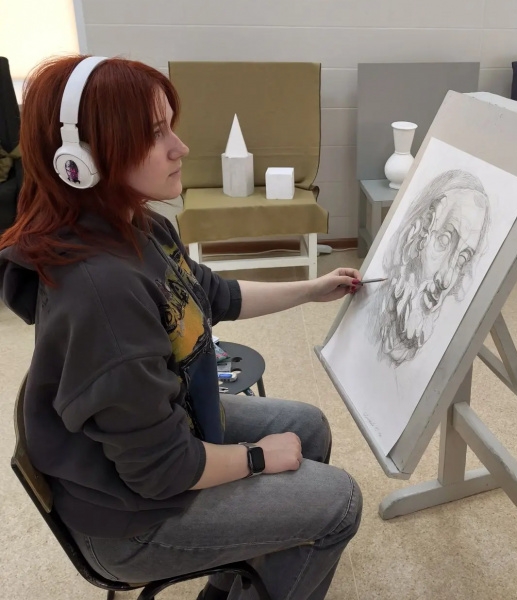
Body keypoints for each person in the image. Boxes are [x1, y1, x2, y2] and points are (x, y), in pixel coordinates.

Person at [0, 55, 363, 600]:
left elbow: (212, 295)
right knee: (340, 502)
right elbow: (163, 471)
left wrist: (311, 289)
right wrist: (258, 459)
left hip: (160, 440)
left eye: (171, 126)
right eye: (155, 133)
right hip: (130, 521)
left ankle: (234, 578)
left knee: (306, 426)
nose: (181, 147)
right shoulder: (102, 295)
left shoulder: (138, 223)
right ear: (83, 159)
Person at [371, 170, 490, 366]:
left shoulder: (442, 346)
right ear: (416, 234)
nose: (446, 279)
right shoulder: (366, 315)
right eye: (444, 241)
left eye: (462, 259)